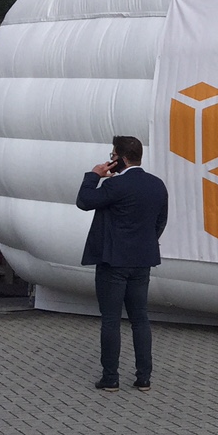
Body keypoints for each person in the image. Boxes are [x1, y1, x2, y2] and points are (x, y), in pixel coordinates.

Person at [76, 135, 168, 393]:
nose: (110, 160)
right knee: (140, 318)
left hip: (113, 262)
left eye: (113, 156)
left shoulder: (114, 186)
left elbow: (84, 201)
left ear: (122, 159)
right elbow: (160, 221)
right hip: (142, 261)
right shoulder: (157, 185)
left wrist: (94, 175)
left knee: (111, 319)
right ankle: (144, 378)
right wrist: (144, 244)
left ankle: (111, 378)